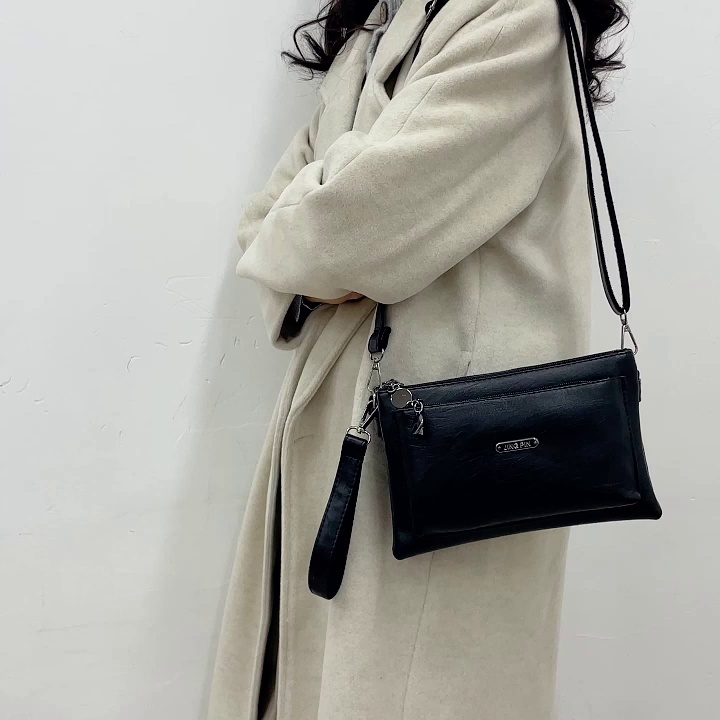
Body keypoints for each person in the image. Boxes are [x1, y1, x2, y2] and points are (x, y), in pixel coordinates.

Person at [206, 0, 628, 718]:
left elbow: (347, 230)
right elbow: (265, 226)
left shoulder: (519, 17)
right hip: (351, 426)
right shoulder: (377, 25)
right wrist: (326, 224)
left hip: (456, 455)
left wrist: (325, 222)